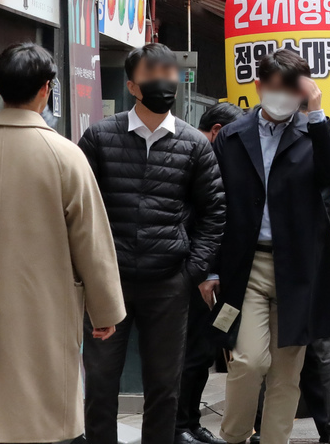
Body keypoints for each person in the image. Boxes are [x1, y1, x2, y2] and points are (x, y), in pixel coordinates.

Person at [0, 43, 124, 444]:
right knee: (45, 420)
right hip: (46, 311)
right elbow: (91, 240)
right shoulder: (65, 156)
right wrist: (105, 309)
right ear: (46, 89)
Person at [210, 49, 330, 444]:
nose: (283, 98)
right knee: (248, 360)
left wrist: (317, 113)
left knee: (286, 372)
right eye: (276, 88)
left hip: (299, 269)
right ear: (259, 86)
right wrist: (210, 268)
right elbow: (212, 205)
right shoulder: (232, 136)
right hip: (246, 267)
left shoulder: (314, 132)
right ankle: (234, 436)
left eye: (292, 90)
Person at [80, 43, 225, 444]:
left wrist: (190, 273)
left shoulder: (194, 143)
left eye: (169, 72)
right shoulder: (99, 137)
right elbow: (77, 209)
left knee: (164, 387)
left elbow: (214, 213)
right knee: (100, 385)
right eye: (152, 73)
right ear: (132, 85)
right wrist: (87, 272)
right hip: (108, 282)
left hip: (168, 284)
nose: (163, 81)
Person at [179, 102, 248, 444]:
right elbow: (200, 221)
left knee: (204, 351)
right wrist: (204, 271)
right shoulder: (195, 157)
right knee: (190, 352)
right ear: (219, 131)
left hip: (210, 272)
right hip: (191, 272)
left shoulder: (214, 159)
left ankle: (191, 422)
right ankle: (179, 425)